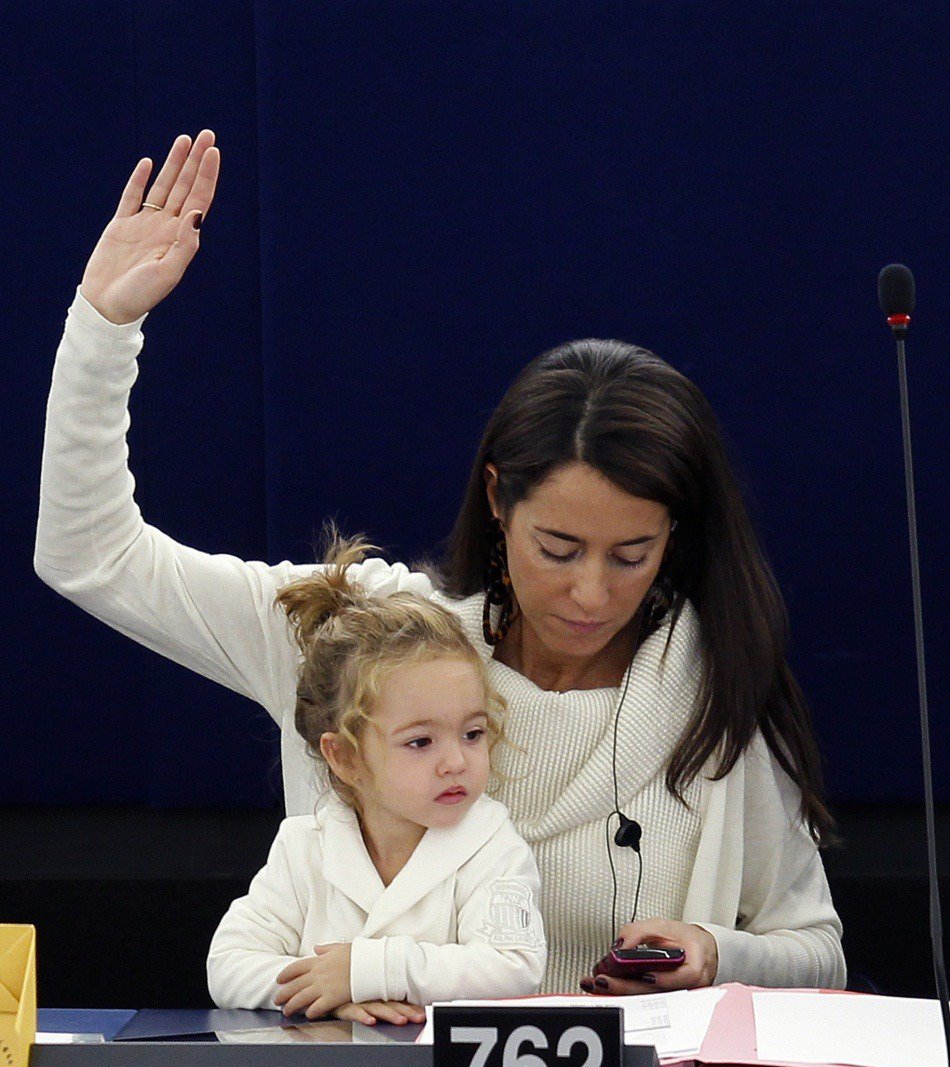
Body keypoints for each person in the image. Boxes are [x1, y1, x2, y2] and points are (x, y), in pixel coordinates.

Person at [36, 130, 846, 997]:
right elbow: (91, 555)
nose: (589, 591)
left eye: (632, 555)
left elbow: (817, 952)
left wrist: (718, 953)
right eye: (558, 548)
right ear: (497, 501)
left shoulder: (713, 687)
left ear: (675, 540)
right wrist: (105, 325)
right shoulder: (359, 640)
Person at [206, 537, 545, 1022]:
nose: (456, 761)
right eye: (421, 742)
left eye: (472, 733)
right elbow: (228, 966)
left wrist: (369, 970)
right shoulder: (306, 846)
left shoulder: (493, 846)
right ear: (343, 757)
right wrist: (335, 993)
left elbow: (514, 968)